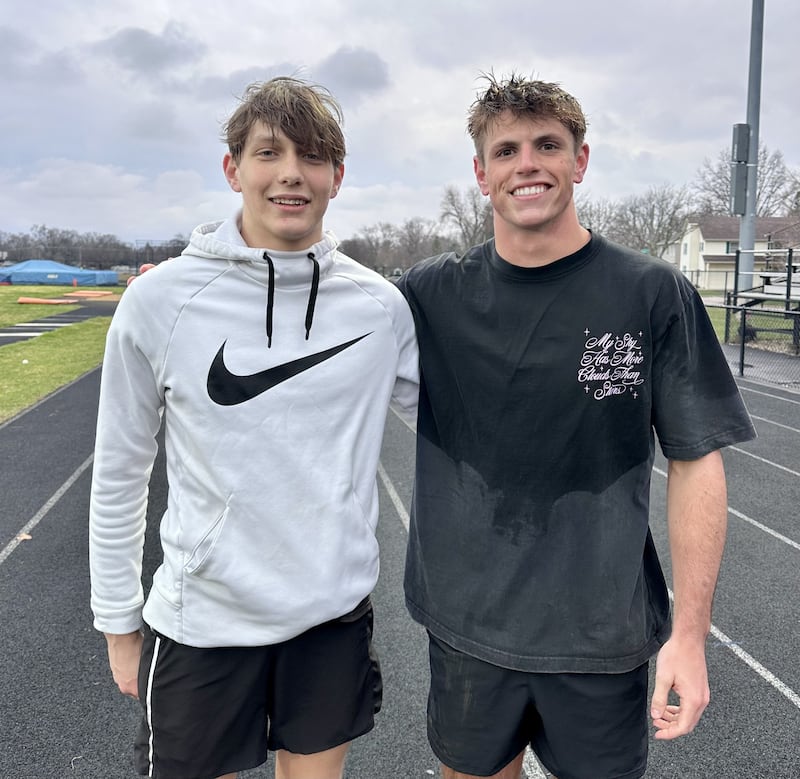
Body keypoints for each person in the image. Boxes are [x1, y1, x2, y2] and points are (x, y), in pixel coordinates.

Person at [395, 73, 756, 779]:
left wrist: (691, 634)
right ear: (481, 173)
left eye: (547, 144)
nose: (526, 163)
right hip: (468, 626)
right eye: (505, 151)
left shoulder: (652, 292)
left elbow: (695, 462)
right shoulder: (428, 293)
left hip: (600, 633)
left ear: (579, 162)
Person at [89, 77, 418, 779]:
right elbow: (119, 469)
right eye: (269, 153)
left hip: (330, 624)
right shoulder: (160, 301)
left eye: (313, 156)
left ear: (337, 176)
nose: (291, 173)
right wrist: (118, 618)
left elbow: (465, 425)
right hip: (202, 625)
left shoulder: (381, 309)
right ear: (233, 168)